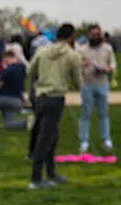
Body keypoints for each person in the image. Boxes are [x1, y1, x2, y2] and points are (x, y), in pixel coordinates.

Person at [26, 23, 81, 189]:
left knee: (52, 136)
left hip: (40, 96)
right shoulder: (72, 55)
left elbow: (30, 71)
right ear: (71, 37)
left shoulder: (42, 51)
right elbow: (78, 81)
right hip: (56, 97)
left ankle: (51, 173)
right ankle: (36, 179)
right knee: (45, 138)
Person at [77, 24, 116, 154]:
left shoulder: (107, 49)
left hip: (102, 83)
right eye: (93, 35)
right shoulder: (82, 50)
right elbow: (76, 65)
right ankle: (84, 141)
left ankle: (106, 139)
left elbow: (113, 64)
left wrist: (107, 69)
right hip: (87, 83)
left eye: (98, 34)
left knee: (103, 113)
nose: (96, 37)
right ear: (88, 36)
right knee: (85, 113)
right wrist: (83, 64)